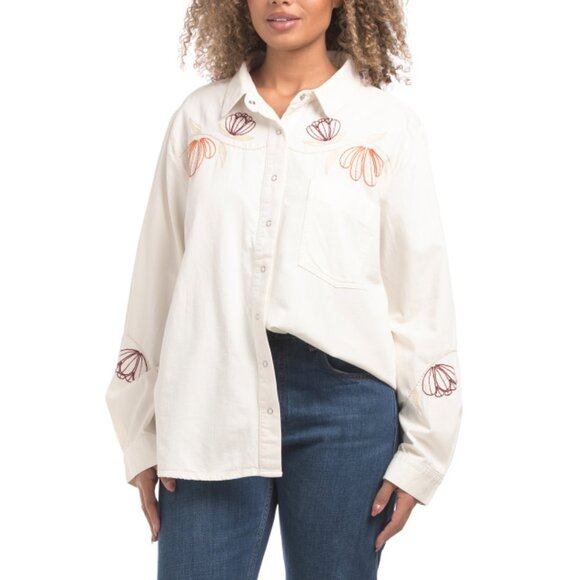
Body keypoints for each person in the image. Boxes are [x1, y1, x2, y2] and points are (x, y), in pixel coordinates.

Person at [105, 1, 463, 578]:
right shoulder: (200, 119)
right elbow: (158, 275)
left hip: (344, 409)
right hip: (208, 397)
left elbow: (419, 292)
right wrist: (138, 434)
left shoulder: (386, 126)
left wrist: (425, 453)